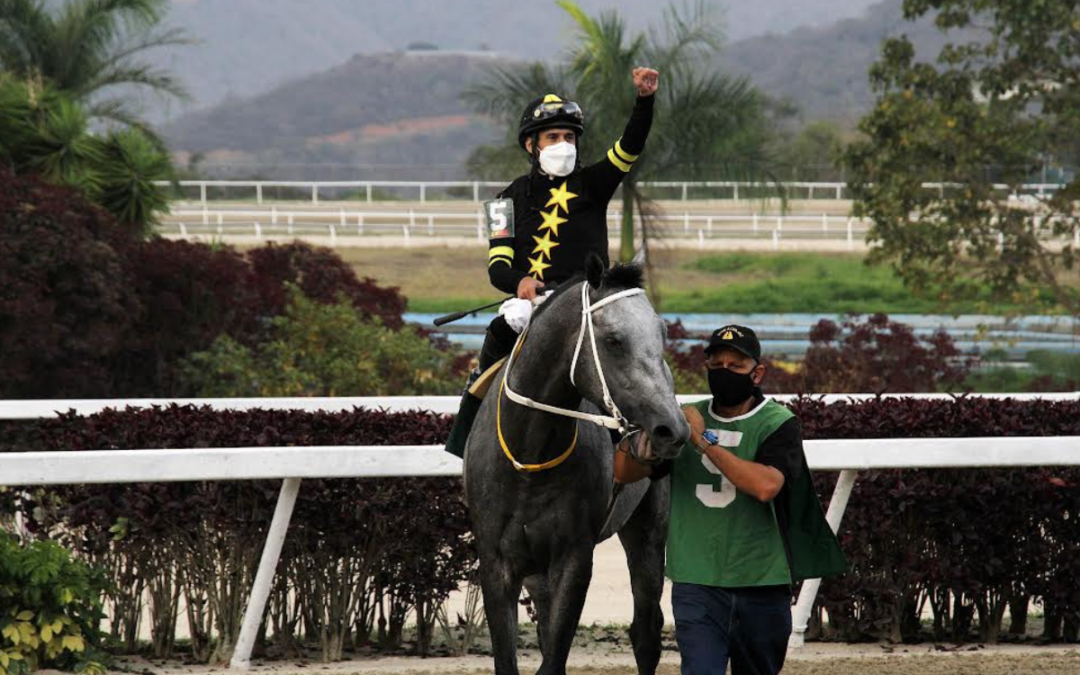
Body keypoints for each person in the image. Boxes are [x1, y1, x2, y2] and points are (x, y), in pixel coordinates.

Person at [444, 66, 660, 458]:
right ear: (532, 145)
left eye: (569, 136)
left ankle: (632, 447)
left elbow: (631, 144)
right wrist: (519, 283)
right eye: (553, 136)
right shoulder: (503, 201)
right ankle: (467, 444)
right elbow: (498, 266)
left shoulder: (595, 182)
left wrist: (645, 100)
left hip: (590, 302)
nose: (563, 143)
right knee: (503, 328)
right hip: (535, 305)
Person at [614, 325, 847, 675]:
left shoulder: (778, 423)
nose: (724, 371)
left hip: (762, 584)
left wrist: (703, 440)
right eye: (716, 363)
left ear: (758, 373)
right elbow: (623, 472)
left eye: (735, 366)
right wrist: (642, 446)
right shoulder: (682, 419)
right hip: (697, 583)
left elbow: (766, 486)